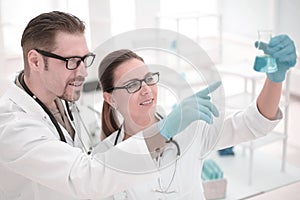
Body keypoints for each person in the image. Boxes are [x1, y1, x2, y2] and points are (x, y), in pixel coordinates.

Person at [0, 11, 212, 200]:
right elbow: (85, 178)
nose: (83, 72)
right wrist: (161, 132)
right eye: (72, 61)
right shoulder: (13, 128)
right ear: (36, 62)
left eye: (85, 59)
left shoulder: (59, 96)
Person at [97, 33, 296, 200]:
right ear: (111, 98)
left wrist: (274, 79)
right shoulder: (103, 157)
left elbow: (253, 123)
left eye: (148, 79)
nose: (146, 89)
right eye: (132, 85)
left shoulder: (189, 126)